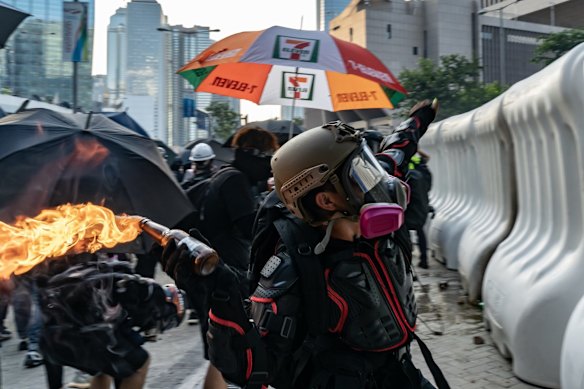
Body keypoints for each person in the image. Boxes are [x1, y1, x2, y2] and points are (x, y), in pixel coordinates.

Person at [159, 100, 450, 389]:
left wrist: (417, 121)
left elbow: (396, 153)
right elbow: (254, 368)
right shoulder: (295, 268)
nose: (378, 181)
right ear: (326, 200)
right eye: (360, 173)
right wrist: (220, 295)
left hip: (402, 374)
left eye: (368, 165)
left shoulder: (365, 204)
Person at [36, 253, 185, 389]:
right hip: (73, 336)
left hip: (49, 338)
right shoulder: (142, 291)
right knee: (140, 363)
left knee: (106, 368)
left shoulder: (116, 276)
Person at [406, 152, 433, 269]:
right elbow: (427, 157)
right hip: (421, 202)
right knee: (420, 231)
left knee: (404, 234)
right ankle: (424, 260)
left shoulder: (401, 162)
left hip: (410, 203)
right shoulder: (418, 163)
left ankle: (408, 263)